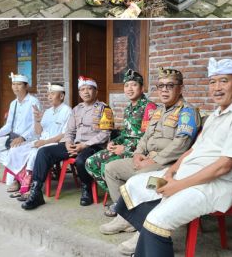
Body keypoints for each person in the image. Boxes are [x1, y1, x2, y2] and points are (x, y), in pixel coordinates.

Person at [114, 59, 232, 257]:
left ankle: (151, 234)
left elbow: (223, 167)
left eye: (224, 81)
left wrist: (177, 185)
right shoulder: (217, 114)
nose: (217, 88)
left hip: (209, 186)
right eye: (212, 82)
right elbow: (192, 151)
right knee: (135, 184)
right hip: (184, 175)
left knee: (157, 219)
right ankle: (146, 235)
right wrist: (170, 172)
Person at [98, 68, 200, 254]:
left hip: (168, 164)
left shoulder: (187, 112)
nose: (164, 90)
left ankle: (144, 228)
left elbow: (181, 145)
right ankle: (126, 217)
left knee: (141, 178)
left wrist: (153, 160)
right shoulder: (158, 111)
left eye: (170, 85)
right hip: (146, 158)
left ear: (181, 88)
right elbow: (145, 137)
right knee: (111, 168)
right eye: (161, 86)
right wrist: (137, 154)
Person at [21, 76, 113, 210]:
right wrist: (69, 143)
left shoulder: (105, 109)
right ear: (80, 92)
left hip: (93, 146)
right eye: (82, 89)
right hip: (74, 144)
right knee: (44, 152)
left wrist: (84, 145)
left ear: (96, 92)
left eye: (89, 89)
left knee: (81, 160)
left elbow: (105, 134)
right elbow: (69, 131)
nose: (86, 92)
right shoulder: (76, 109)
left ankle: (86, 188)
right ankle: (36, 192)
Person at [85, 70, 156, 207]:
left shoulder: (149, 108)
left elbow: (149, 139)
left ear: (142, 88)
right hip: (124, 148)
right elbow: (126, 134)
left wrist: (126, 149)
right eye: (126, 85)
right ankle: (122, 199)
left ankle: (125, 203)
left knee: (106, 166)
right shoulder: (129, 109)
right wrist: (114, 142)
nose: (129, 89)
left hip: (138, 153)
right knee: (91, 162)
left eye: (133, 85)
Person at [2, 83, 72, 200]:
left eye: (53, 94)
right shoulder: (48, 112)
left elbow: (64, 134)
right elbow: (39, 132)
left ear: (61, 96)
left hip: (53, 144)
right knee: (16, 149)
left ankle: (28, 188)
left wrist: (44, 142)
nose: (49, 97)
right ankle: (20, 182)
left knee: (34, 154)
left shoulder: (67, 111)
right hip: (41, 141)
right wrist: (37, 120)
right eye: (48, 94)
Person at [0, 73, 41, 186]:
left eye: (19, 84)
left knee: (14, 152)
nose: (15, 87)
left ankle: (18, 179)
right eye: (13, 84)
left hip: (29, 138)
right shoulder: (13, 103)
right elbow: (8, 126)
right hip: (13, 136)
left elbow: (35, 126)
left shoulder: (33, 102)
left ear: (26, 86)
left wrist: (23, 137)